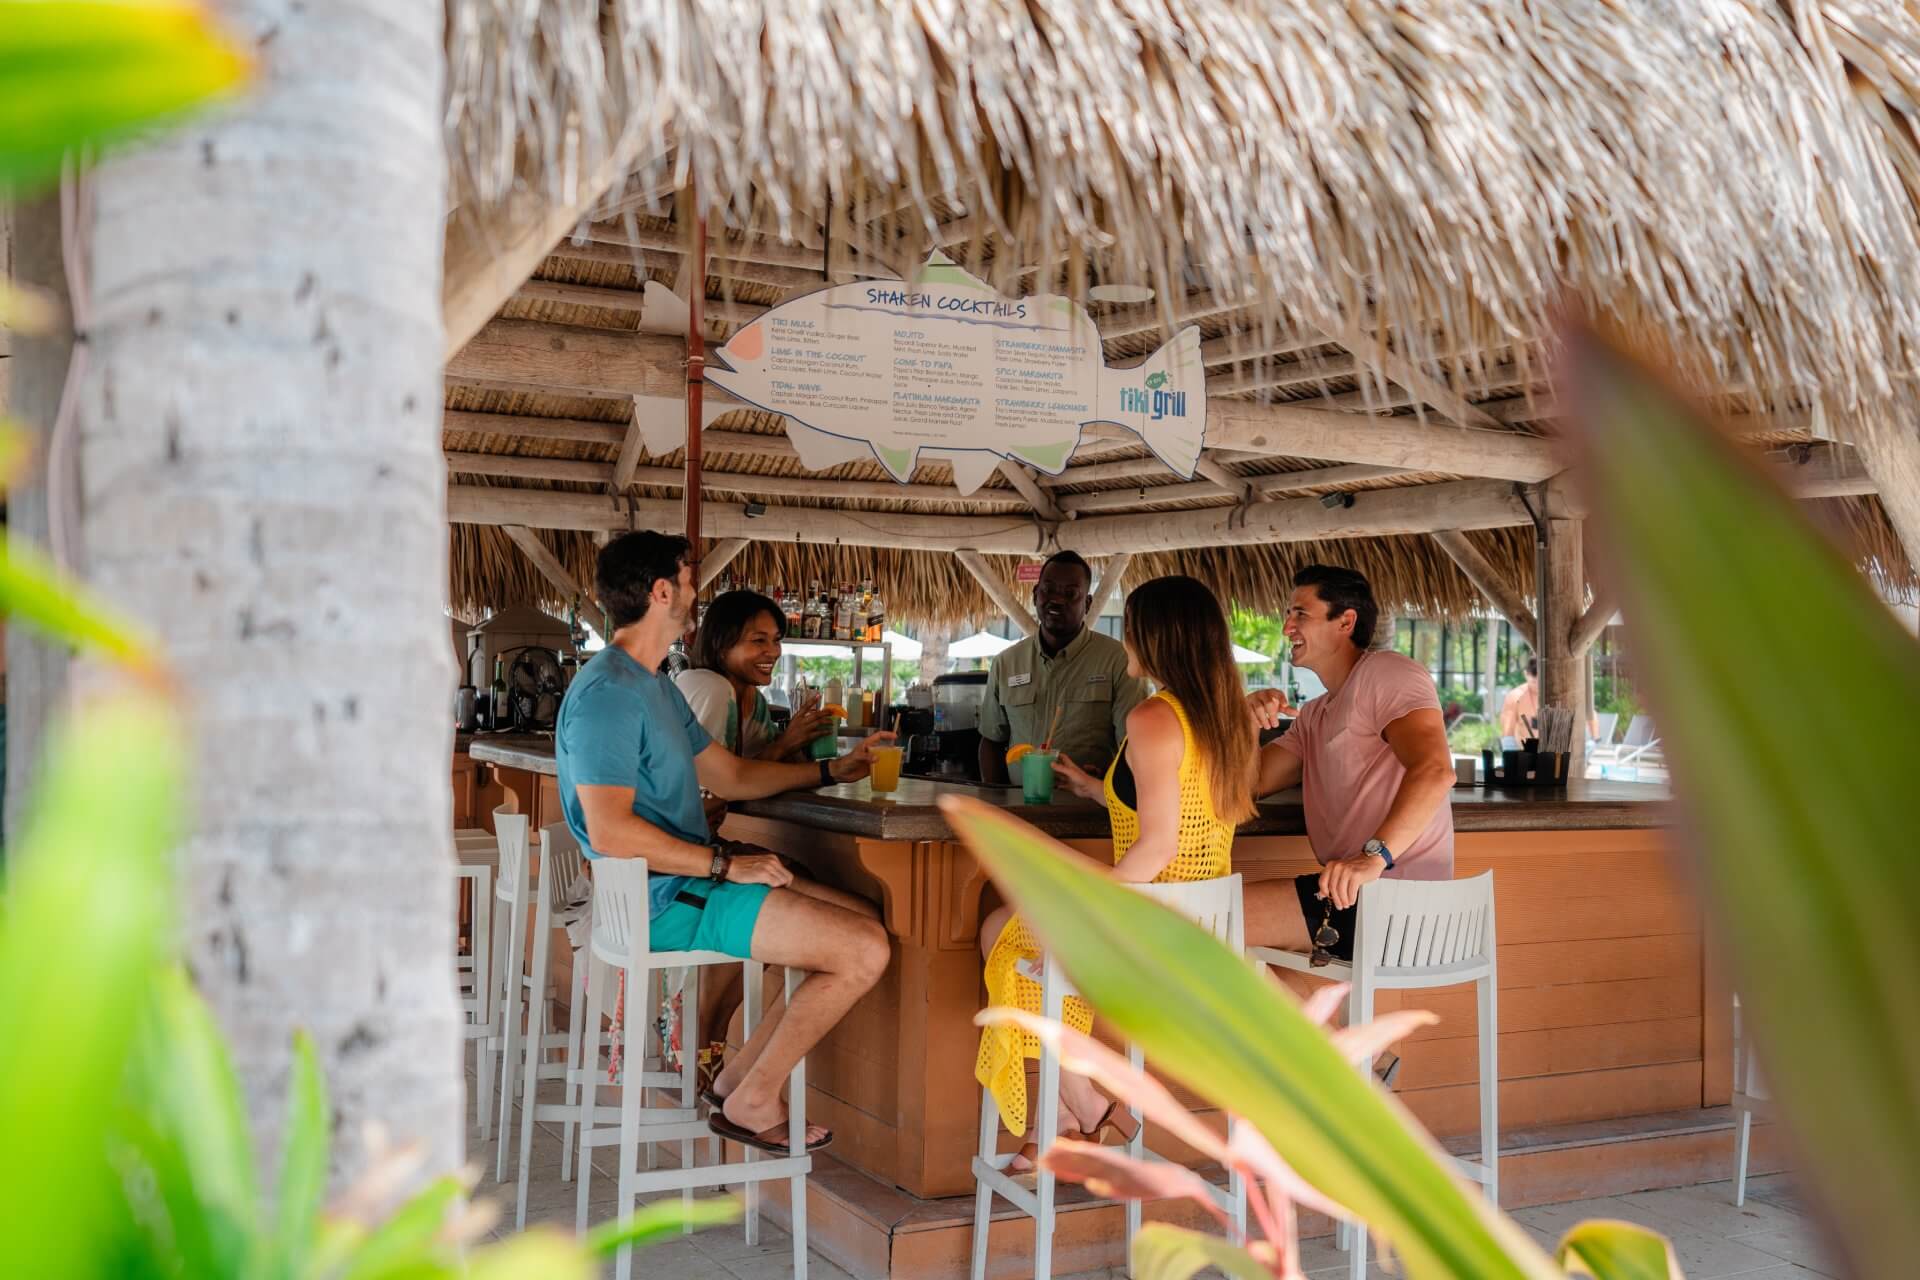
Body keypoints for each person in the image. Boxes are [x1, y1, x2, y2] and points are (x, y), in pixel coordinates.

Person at [558, 531, 894, 1154]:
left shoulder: (655, 684)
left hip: (683, 885)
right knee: (863, 950)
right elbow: (609, 830)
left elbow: (732, 776)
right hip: (663, 900)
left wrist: (828, 772)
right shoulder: (609, 695)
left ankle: (737, 1084)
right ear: (662, 591)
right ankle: (754, 1098)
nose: (695, 591)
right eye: (688, 580)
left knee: (862, 920)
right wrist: (722, 863)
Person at [975, 575, 1256, 1168]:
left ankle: (1074, 1109)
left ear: (1155, 637)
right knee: (1010, 926)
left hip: (1152, 926)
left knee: (1006, 936)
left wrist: (1080, 895)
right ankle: (1077, 1110)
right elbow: (1179, 811)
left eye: (1129, 624)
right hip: (1200, 925)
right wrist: (1096, 789)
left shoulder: (1154, 716)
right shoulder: (1226, 715)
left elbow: (1155, 849)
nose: (1122, 635)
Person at [1243, 564, 1456, 1078]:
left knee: (1209, 925)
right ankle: (1359, 1070)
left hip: (1394, 898)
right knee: (1249, 972)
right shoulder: (1316, 714)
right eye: (1287, 614)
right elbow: (1250, 784)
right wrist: (1245, 720)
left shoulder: (1388, 674)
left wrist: (1373, 858)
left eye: (1301, 613)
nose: (1287, 627)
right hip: (1349, 898)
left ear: (1346, 622)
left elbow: (1435, 770)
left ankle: (1355, 1065)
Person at [977, 551, 1150, 784]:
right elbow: (991, 741)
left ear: (1087, 604)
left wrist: (1107, 782)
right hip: (1019, 808)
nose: (1057, 599)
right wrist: (996, 801)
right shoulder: (1006, 663)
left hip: (1089, 810)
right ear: (1035, 595)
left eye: (1070, 593)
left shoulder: (1117, 660)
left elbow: (1132, 746)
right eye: (1048, 590)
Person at [1499, 655, 1598, 743]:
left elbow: (1589, 713)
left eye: (1542, 681)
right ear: (1526, 674)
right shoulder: (1515, 697)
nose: (1538, 685)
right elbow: (1508, 735)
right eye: (1534, 681)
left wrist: (1594, 740)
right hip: (1527, 755)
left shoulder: (1563, 693)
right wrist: (1510, 757)